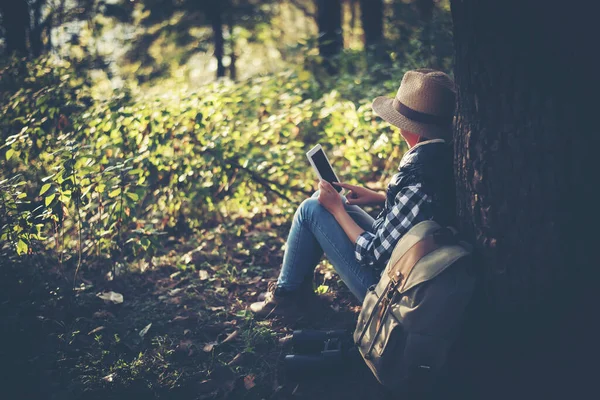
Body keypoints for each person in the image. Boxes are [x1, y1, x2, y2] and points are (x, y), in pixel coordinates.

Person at [250, 69, 457, 318]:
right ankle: (295, 295)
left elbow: (374, 254)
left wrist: (337, 210)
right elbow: (422, 212)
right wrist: (382, 197)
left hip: (388, 289)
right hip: (408, 269)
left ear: (413, 130)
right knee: (335, 206)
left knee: (311, 210)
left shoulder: (420, 178)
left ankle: (284, 299)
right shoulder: (442, 158)